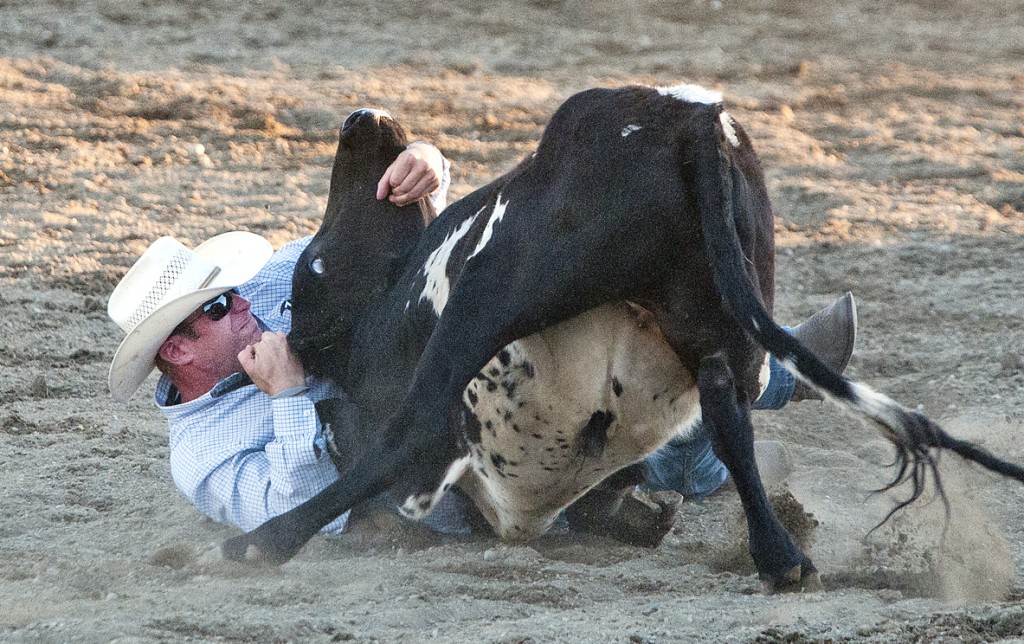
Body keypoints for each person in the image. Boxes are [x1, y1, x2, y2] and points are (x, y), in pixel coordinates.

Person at [107, 140, 857, 538]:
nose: (243, 302)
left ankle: (773, 375)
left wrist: (426, 174)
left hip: (437, 379)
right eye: (220, 305)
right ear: (177, 348)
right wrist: (291, 397)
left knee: (564, 320)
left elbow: (396, 264)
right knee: (586, 434)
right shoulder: (200, 457)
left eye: (228, 292)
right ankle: (727, 435)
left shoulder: (270, 286)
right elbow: (313, 516)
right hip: (426, 484)